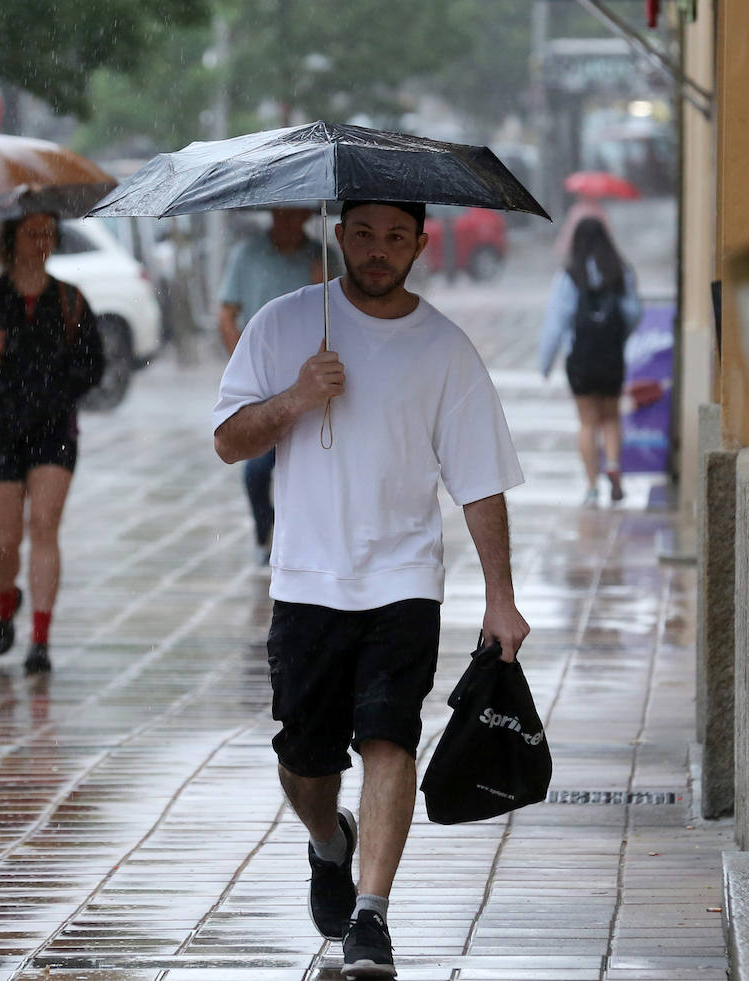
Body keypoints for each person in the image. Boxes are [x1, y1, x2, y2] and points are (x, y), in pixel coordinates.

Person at [212, 200, 530, 979]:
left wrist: (500, 595)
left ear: (422, 243)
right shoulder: (286, 324)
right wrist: (295, 397)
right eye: (364, 234)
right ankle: (330, 842)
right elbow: (227, 440)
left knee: (390, 741)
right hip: (308, 580)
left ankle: (370, 915)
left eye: (396, 238)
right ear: (341, 233)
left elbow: (480, 481)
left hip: (404, 579)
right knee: (304, 759)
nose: (379, 251)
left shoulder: (445, 350)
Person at [0, 213, 105, 675]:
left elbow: (94, 364)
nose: (41, 241)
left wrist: (59, 386)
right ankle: (6, 599)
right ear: (11, 239)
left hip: (54, 430)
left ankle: (40, 639)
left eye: (47, 233)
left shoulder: (70, 300)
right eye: (31, 233)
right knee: (4, 542)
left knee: (43, 525)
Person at [218, 207, 323, 565]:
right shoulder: (246, 254)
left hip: (311, 380)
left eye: (296, 215)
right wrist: (242, 363)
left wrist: (324, 282)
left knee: (311, 466)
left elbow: (342, 311)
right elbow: (226, 313)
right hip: (263, 383)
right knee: (258, 467)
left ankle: (306, 538)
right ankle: (265, 531)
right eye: (283, 214)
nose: (289, 221)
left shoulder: (323, 257)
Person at [538, 216, 642, 506]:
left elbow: (556, 322)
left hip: (581, 360)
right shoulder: (621, 272)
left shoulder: (569, 275)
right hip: (611, 358)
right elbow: (633, 313)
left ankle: (592, 486)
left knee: (587, 422)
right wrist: (617, 338)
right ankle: (613, 464)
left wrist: (545, 363)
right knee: (611, 416)